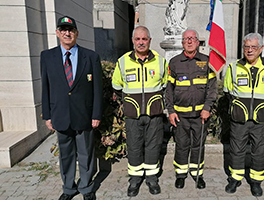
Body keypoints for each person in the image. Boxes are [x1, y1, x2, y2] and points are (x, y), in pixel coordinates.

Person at [41, 16, 102, 200]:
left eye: (71, 29)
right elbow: (45, 87)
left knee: (85, 154)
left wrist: (96, 114)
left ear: (76, 33)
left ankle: (86, 187)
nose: (67, 33)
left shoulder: (91, 57)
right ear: (58, 33)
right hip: (60, 114)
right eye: (63, 29)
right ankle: (68, 188)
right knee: (65, 155)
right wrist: (47, 115)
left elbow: (97, 89)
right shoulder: (47, 56)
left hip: (84, 115)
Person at [111, 26, 168, 197]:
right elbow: (116, 85)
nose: (141, 42)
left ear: (149, 40)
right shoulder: (122, 61)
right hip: (132, 115)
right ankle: (135, 179)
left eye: (144, 39)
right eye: (138, 39)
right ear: (133, 41)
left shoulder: (160, 61)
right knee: (134, 146)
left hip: (154, 115)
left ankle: (152, 178)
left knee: (153, 145)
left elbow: (165, 85)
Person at [223, 33, 264, 197]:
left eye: (253, 47)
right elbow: (228, 91)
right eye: (246, 46)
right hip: (239, 118)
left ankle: (256, 182)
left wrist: (258, 107)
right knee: (236, 149)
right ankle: (235, 179)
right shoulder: (233, 67)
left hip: (260, 119)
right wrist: (239, 107)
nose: (249, 50)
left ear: (261, 49)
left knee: (259, 151)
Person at [165, 29, 217, 189]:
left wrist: (207, 108)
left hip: (200, 115)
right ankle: (180, 175)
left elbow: (212, 88)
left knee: (198, 145)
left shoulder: (207, 61)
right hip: (180, 116)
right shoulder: (174, 62)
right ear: (182, 43)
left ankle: (197, 174)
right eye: (186, 39)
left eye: (192, 38)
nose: (189, 41)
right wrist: (171, 111)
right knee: (181, 145)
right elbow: (169, 89)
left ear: (197, 42)